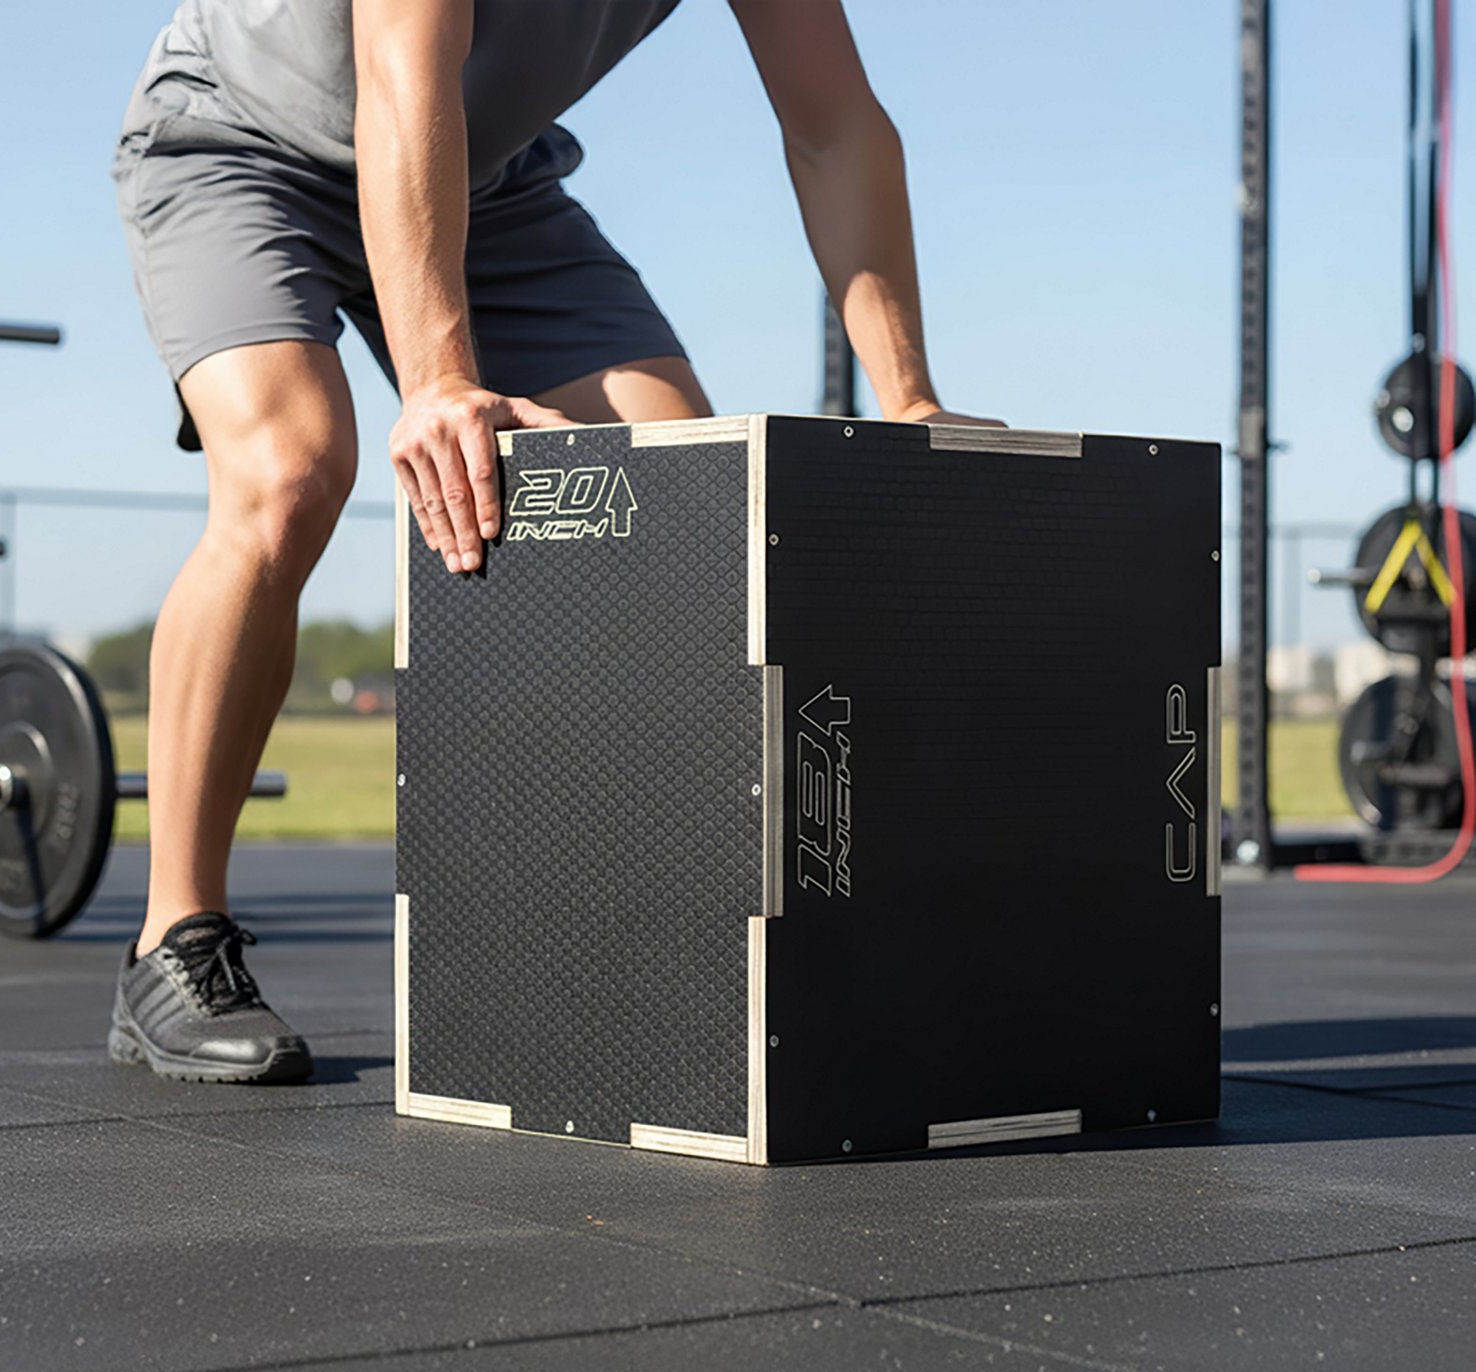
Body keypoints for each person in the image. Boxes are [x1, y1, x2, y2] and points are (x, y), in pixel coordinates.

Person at [106, 0, 996, 1085]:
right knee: (290, 475)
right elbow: (400, 70)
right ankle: (174, 936)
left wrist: (910, 400)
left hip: (485, 187)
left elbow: (835, 123)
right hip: (241, 145)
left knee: (680, 504)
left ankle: (645, 923)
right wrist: (439, 379)